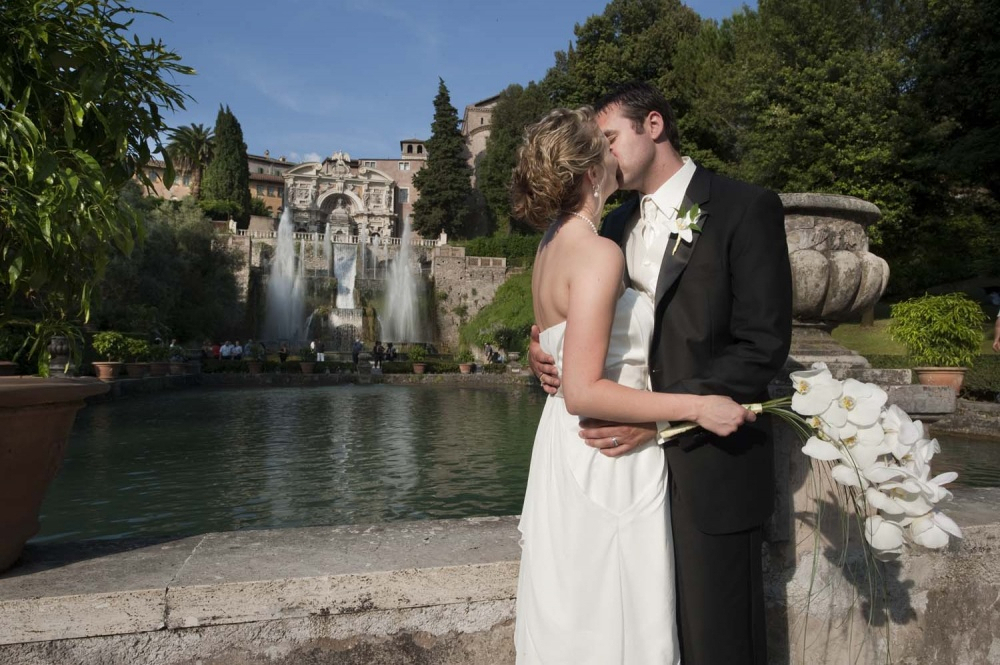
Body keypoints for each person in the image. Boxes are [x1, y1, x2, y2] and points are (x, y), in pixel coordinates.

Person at [529, 83, 792, 665]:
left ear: (653, 126)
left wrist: (668, 421)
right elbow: (581, 327)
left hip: (706, 468)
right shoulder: (609, 228)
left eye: (610, 138)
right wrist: (542, 349)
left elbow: (762, 345)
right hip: (617, 471)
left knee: (715, 644)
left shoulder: (745, 207)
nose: (602, 153)